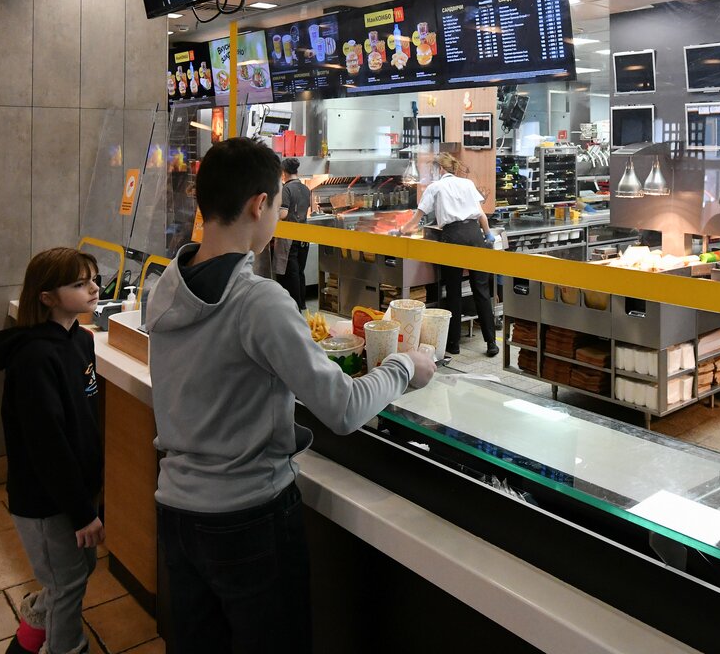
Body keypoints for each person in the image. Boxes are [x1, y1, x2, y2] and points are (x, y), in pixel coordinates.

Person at [144, 138, 435, 654]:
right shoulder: (259, 301)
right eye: (279, 206)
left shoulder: (167, 286)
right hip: (248, 519)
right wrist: (405, 366)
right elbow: (343, 409)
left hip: (177, 511)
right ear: (260, 204)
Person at [0, 248, 104, 654]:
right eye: (79, 283)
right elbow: (47, 444)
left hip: (76, 490)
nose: (93, 288)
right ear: (47, 297)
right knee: (66, 583)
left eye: (93, 279)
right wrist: (82, 511)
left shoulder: (81, 341)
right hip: (44, 499)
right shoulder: (34, 358)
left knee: (81, 568)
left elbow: (82, 423)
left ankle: (31, 629)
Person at [400, 152, 499, 357]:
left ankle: (453, 344)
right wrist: (488, 234)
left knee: (453, 291)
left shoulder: (435, 187)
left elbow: (417, 219)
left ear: (440, 169)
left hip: (453, 237)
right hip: (474, 235)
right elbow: (481, 214)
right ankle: (491, 343)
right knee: (481, 289)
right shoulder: (467, 183)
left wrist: (401, 231)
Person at [275, 157, 312, 309]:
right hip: (304, 235)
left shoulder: (286, 189)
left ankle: (293, 308)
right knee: (300, 272)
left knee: (291, 274)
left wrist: (272, 214)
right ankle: (301, 305)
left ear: (284, 173)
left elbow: (283, 214)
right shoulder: (306, 189)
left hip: (290, 238)